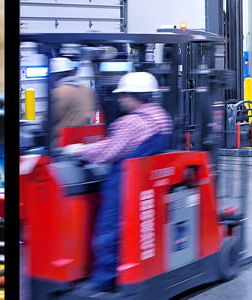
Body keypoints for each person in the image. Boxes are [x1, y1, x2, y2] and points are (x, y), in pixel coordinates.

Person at [62, 72, 174, 291]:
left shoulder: (131, 122)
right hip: (147, 183)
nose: (120, 100)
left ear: (134, 96)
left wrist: (78, 150)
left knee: (108, 231)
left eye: (123, 96)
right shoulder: (161, 116)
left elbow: (109, 151)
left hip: (124, 182)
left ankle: (104, 282)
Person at [48, 57, 100, 146]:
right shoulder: (87, 90)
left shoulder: (58, 92)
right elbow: (95, 112)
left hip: (62, 145)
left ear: (54, 76)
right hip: (86, 142)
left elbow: (49, 120)